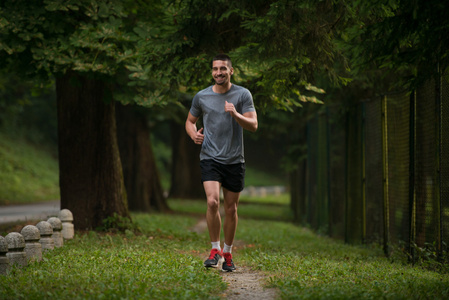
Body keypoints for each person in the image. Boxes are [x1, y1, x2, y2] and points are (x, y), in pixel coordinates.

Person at [185, 54, 258, 272]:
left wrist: (235, 113)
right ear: (212, 72)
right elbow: (190, 122)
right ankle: (214, 249)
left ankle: (228, 253)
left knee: (231, 208)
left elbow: (253, 125)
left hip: (235, 160)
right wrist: (193, 135)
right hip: (210, 157)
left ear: (231, 71)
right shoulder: (202, 97)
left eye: (223, 69)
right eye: (216, 69)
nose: (219, 72)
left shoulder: (242, 94)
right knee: (212, 202)